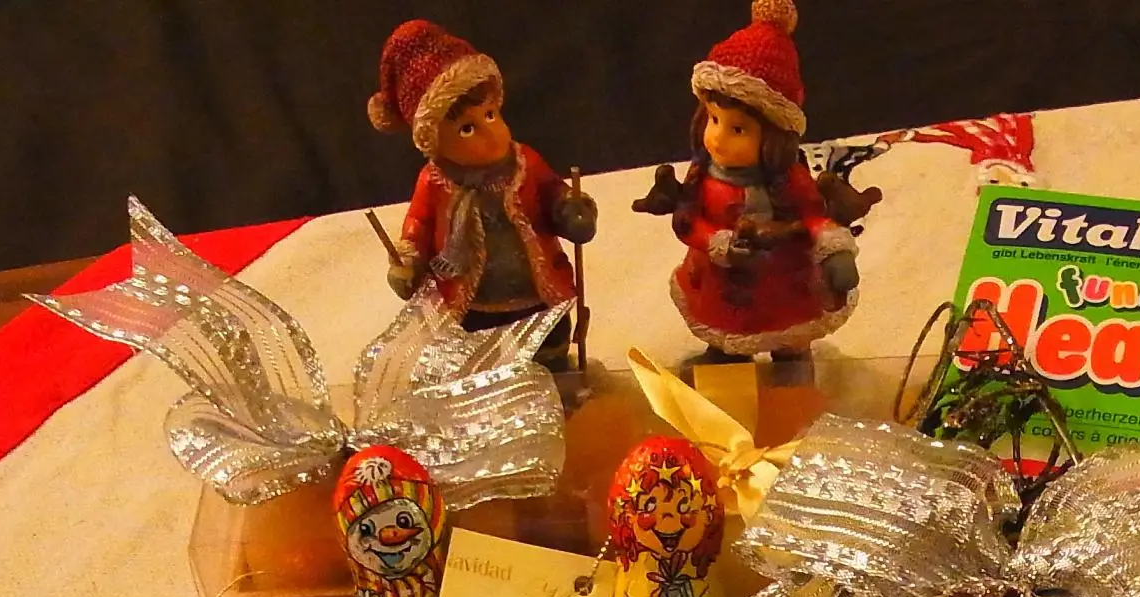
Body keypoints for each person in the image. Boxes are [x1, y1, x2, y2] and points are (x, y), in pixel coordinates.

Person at [636, 0, 862, 361]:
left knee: (790, 339)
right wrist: (718, 243)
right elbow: (688, 222)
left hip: (784, 285)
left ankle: (791, 371)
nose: (718, 138)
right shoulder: (703, 177)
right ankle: (727, 363)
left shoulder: (789, 179)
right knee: (726, 340)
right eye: (713, 120)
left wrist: (835, 250)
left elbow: (813, 216)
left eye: (737, 129)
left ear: (773, 136)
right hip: (722, 286)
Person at [368, 20, 596, 363]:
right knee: (481, 356)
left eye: (490, 115)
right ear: (434, 140)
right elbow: (419, 223)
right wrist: (409, 261)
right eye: (466, 129)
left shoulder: (525, 163)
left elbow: (552, 192)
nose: (491, 135)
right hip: (472, 300)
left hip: (536, 291)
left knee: (549, 345)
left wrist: (570, 210)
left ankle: (555, 372)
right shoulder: (434, 181)